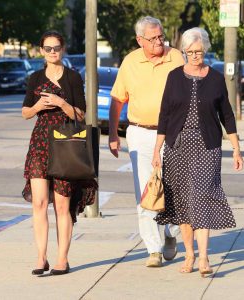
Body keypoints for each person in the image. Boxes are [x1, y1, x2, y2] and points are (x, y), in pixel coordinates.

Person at [152, 27, 243, 276]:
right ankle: (189, 254)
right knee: (183, 203)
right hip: (177, 147)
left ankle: (203, 258)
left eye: (199, 51)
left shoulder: (215, 78)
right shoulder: (173, 77)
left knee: (201, 198)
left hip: (207, 146)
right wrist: (157, 149)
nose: (195, 56)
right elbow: (165, 114)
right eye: (190, 52)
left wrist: (236, 149)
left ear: (205, 50)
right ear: (183, 52)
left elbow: (227, 115)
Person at [109, 16, 185, 267]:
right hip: (140, 133)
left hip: (173, 132)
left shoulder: (175, 57)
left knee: (174, 189)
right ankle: (153, 249)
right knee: (145, 191)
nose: (159, 42)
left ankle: (170, 233)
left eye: (161, 36)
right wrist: (112, 134)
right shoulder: (130, 62)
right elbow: (118, 99)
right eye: (153, 38)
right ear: (140, 40)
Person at [22, 30, 92, 276]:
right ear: (42, 51)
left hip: (66, 142)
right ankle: (41, 258)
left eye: (57, 48)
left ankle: (62, 259)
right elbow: (25, 113)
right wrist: (39, 105)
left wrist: (62, 103)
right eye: (48, 48)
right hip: (40, 142)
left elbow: (81, 115)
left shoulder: (72, 77)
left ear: (62, 49)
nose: (52, 52)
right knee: (39, 203)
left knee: (62, 206)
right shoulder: (35, 78)